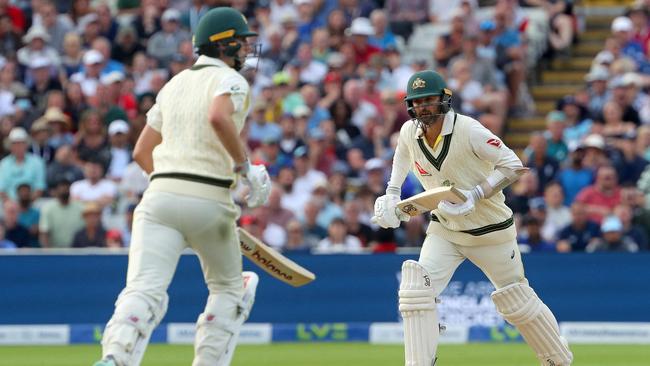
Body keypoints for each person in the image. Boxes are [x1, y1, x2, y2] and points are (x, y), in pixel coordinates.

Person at [94, 8, 270, 366]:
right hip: (210, 200)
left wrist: (172, 182)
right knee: (230, 290)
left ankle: (115, 356)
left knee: (143, 290)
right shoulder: (231, 81)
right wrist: (245, 169)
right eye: (240, 42)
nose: (245, 51)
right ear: (224, 45)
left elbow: (142, 151)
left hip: (158, 197)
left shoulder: (173, 84)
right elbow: (218, 116)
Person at [371, 70, 573, 365]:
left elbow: (512, 165)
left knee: (516, 300)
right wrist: (391, 193)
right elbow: (402, 154)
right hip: (445, 229)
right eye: (418, 102)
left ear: (444, 100)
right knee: (416, 290)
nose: (423, 107)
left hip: (490, 230)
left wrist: (476, 194)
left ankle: (557, 358)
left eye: (429, 100)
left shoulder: (469, 130)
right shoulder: (408, 132)